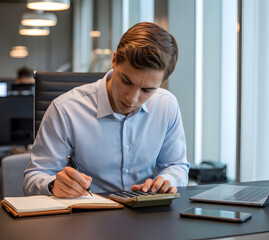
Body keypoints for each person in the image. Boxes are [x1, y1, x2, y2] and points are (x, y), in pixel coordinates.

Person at [24, 22, 189, 198]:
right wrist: (53, 186)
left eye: (147, 90)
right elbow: (34, 178)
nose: (132, 99)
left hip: (145, 215)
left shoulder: (166, 105)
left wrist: (167, 180)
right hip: (87, 215)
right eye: (126, 81)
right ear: (114, 60)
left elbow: (175, 165)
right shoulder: (65, 109)